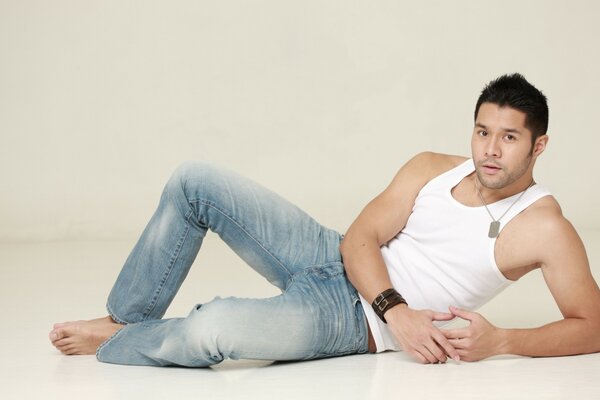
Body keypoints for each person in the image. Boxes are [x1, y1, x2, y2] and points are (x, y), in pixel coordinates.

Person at [49, 73, 600, 366]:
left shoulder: (545, 226)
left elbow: (592, 326)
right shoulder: (431, 168)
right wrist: (400, 310)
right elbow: (361, 236)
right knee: (195, 179)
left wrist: (502, 341)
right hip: (330, 254)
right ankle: (125, 317)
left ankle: (120, 342)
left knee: (212, 329)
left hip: (352, 321)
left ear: (539, 145)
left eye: (509, 137)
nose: (490, 150)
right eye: (483, 132)